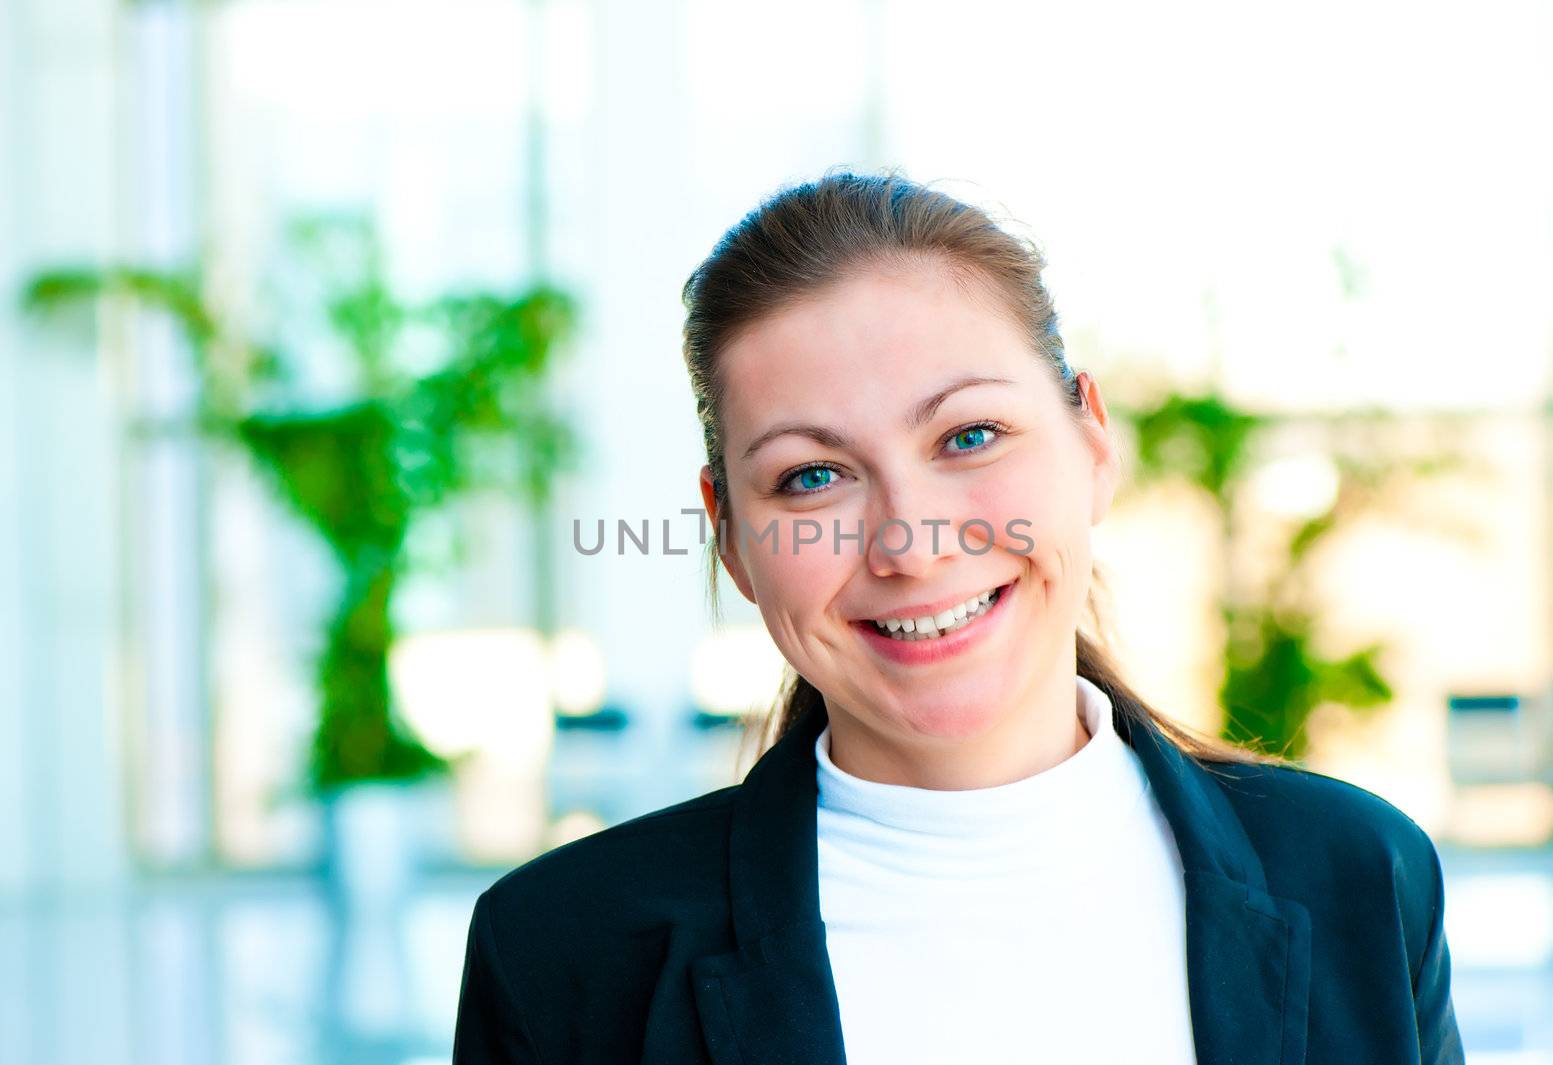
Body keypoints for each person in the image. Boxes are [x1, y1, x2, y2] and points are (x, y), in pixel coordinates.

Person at [452, 170, 1466, 1065]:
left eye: (970, 434)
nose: (910, 543)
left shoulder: (1357, 877)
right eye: (811, 477)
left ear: (1091, 445)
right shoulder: (562, 957)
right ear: (732, 539)